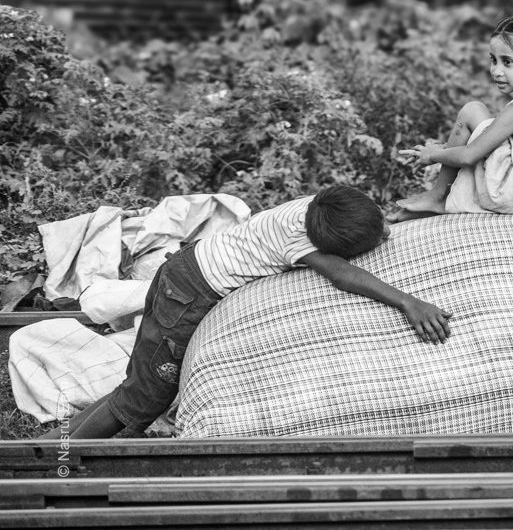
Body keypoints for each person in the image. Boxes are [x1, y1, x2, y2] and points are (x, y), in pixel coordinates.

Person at [40, 185, 451, 439]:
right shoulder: (301, 243)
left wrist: (378, 223)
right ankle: (64, 461)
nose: (385, 236)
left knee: (135, 384)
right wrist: (409, 302)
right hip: (188, 295)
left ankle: (62, 444)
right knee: (146, 399)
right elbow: (344, 276)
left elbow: (354, 222)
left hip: (179, 272)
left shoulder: (321, 207)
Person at [390, 12, 513, 221]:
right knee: (484, 128)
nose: (496, 70)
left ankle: (438, 196)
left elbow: (469, 155)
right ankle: (437, 197)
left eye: (507, 62)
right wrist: (444, 149)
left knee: (473, 111)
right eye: (493, 60)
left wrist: (432, 156)